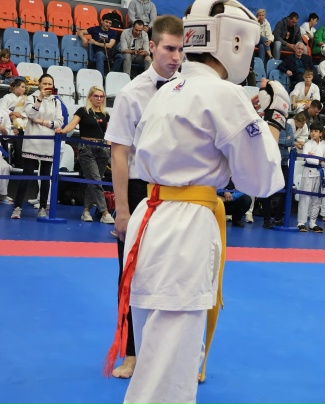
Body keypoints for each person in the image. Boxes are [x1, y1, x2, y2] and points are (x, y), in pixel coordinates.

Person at [104, 2, 288, 404]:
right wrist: (274, 120)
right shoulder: (223, 93)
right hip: (185, 228)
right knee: (171, 361)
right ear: (236, 42)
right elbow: (261, 181)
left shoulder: (168, 89)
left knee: (154, 348)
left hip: (150, 216)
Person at [104, 14, 185, 379]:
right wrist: (122, 211)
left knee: (176, 274)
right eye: (168, 49)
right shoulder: (131, 94)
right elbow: (119, 154)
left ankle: (175, 354)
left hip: (180, 194)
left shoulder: (189, 90)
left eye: (180, 50)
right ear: (151, 47)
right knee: (132, 275)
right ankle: (132, 354)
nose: (175, 57)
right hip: (140, 192)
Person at [57, 86, 114, 224]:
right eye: (96, 96)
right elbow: (72, 125)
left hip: (102, 149)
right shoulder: (82, 111)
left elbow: (109, 134)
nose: (99, 99)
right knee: (96, 180)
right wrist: (62, 131)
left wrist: (110, 149)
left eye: (101, 96)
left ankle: (86, 210)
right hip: (86, 148)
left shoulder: (106, 114)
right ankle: (104, 212)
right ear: (90, 97)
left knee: (93, 181)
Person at [10, 74, 63, 220]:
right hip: (32, 141)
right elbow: (30, 113)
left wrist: (42, 122)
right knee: (27, 175)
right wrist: (39, 98)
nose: (47, 86)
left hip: (48, 143)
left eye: (50, 84)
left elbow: (59, 122)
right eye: (44, 83)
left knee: (45, 177)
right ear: (39, 84)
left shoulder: (56, 101)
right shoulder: (31, 98)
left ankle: (42, 208)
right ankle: (17, 207)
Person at [261, 121, 294, 229]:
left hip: (283, 162)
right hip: (270, 162)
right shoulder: (268, 125)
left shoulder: (288, 126)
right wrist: (284, 140)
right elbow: (267, 141)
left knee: (288, 189)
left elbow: (291, 142)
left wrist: (277, 140)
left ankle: (278, 218)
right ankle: (266, 219)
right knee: (267, 190)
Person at [297, 122, 325, 233]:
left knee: (317, 199)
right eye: (311, 131)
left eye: (316, 131)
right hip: (308, 172)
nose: (313, 133)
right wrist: (319, 160)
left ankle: (313, 222)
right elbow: (308, 158)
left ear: (320, 133)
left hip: (319, 173)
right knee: (305, 197)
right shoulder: (308, 144)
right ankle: (301, 222)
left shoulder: (323, 145)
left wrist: (319, 160)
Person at [0, 79, 27, 168]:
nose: (24, 89)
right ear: (15, 87)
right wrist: (12, 113)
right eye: (22, 87)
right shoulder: (7, 97)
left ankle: (20, 163)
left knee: (20, 143)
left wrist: (20, 115)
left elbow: (28, 111)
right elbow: (2, 108)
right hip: (6, 124)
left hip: (20, 125)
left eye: (25, 87)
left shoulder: (25, 99)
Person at [0, 109, 13, 204]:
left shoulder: (3, 113)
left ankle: (2, 195)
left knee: (5, 167)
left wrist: (1, 127)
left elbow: (7, 135)